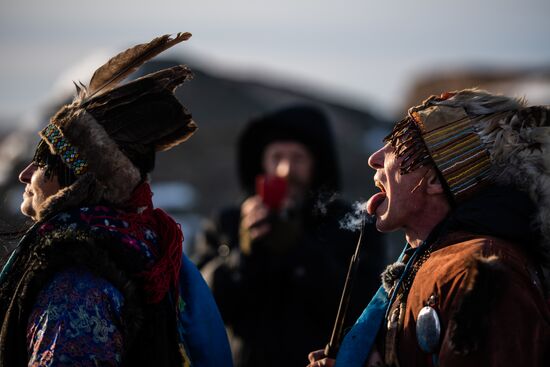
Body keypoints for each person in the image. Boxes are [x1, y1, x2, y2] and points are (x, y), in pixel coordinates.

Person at [0, 33, 232, 366]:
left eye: (44, 161)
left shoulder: (78, 286)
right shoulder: (146, 248)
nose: (26, 174)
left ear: (77, 182)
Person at [308, 89, 550, 367]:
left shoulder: (483, 270)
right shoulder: (434, 260)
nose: (374, 158)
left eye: (396, 144)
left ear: (435, 179)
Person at [195, 105, 385, 367]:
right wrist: (244, 253)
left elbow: (365, 308)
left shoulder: (351, 223)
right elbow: (200, 306)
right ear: (261, 163)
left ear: (316, 165)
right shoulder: (227, 223)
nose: (285, 170)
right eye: (277, 157)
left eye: (297, 158)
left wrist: (300, 251)